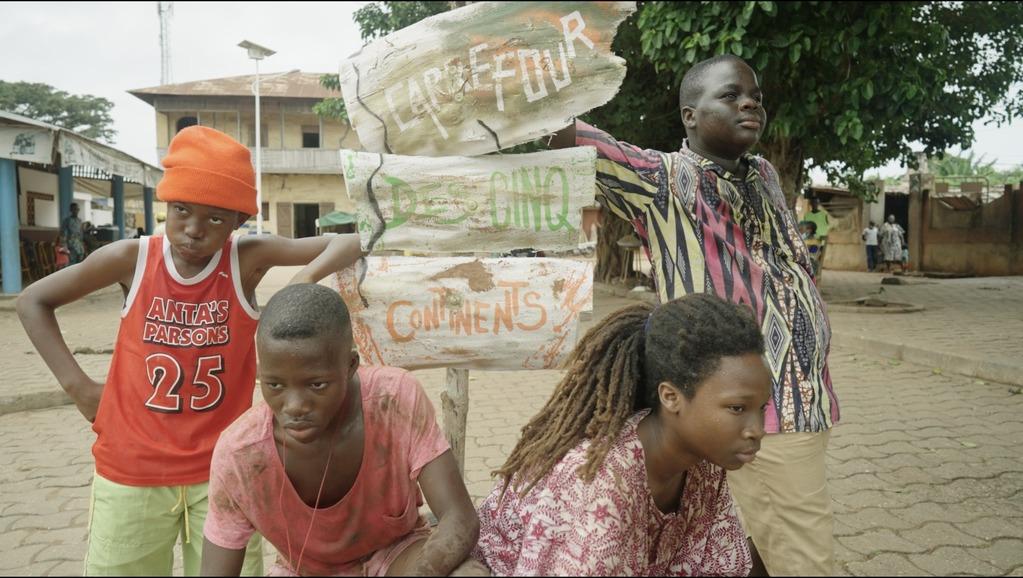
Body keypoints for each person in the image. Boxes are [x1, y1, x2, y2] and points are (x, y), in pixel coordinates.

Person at [16, 126, 363, 576]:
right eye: (182, 211)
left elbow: (351, 240)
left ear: (237, 222)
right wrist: (79, 387)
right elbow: (32, 301)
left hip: (224, 470)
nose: (195, 230)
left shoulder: (245, 258)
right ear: (167, 204)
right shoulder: (132, 259)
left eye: (216, 218)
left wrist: (304, 278)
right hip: (131, 469)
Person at [549, 54, 839, 575]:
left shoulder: (765, 175)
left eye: (756, 96)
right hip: (756, 413)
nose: (750, 102)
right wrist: (516, 78)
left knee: (739, 545)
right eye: (730, 95)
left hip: (799, 400)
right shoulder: (663, 180)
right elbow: (570, 137)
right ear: (689, 115)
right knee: (803, 556)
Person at [200, 284, 487, 577]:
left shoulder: (394, 400)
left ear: (350, 365)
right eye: (274, 385)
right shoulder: (241, 455)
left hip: (398, 556)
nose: (295, 406)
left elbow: (459, 518)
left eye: (317, 385)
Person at [473, 294, 771, 576]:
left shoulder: (705, 465)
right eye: (737, 408)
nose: (757, 430)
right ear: (670, 397)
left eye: (762, 408)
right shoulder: (603, 482)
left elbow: (719, 567)